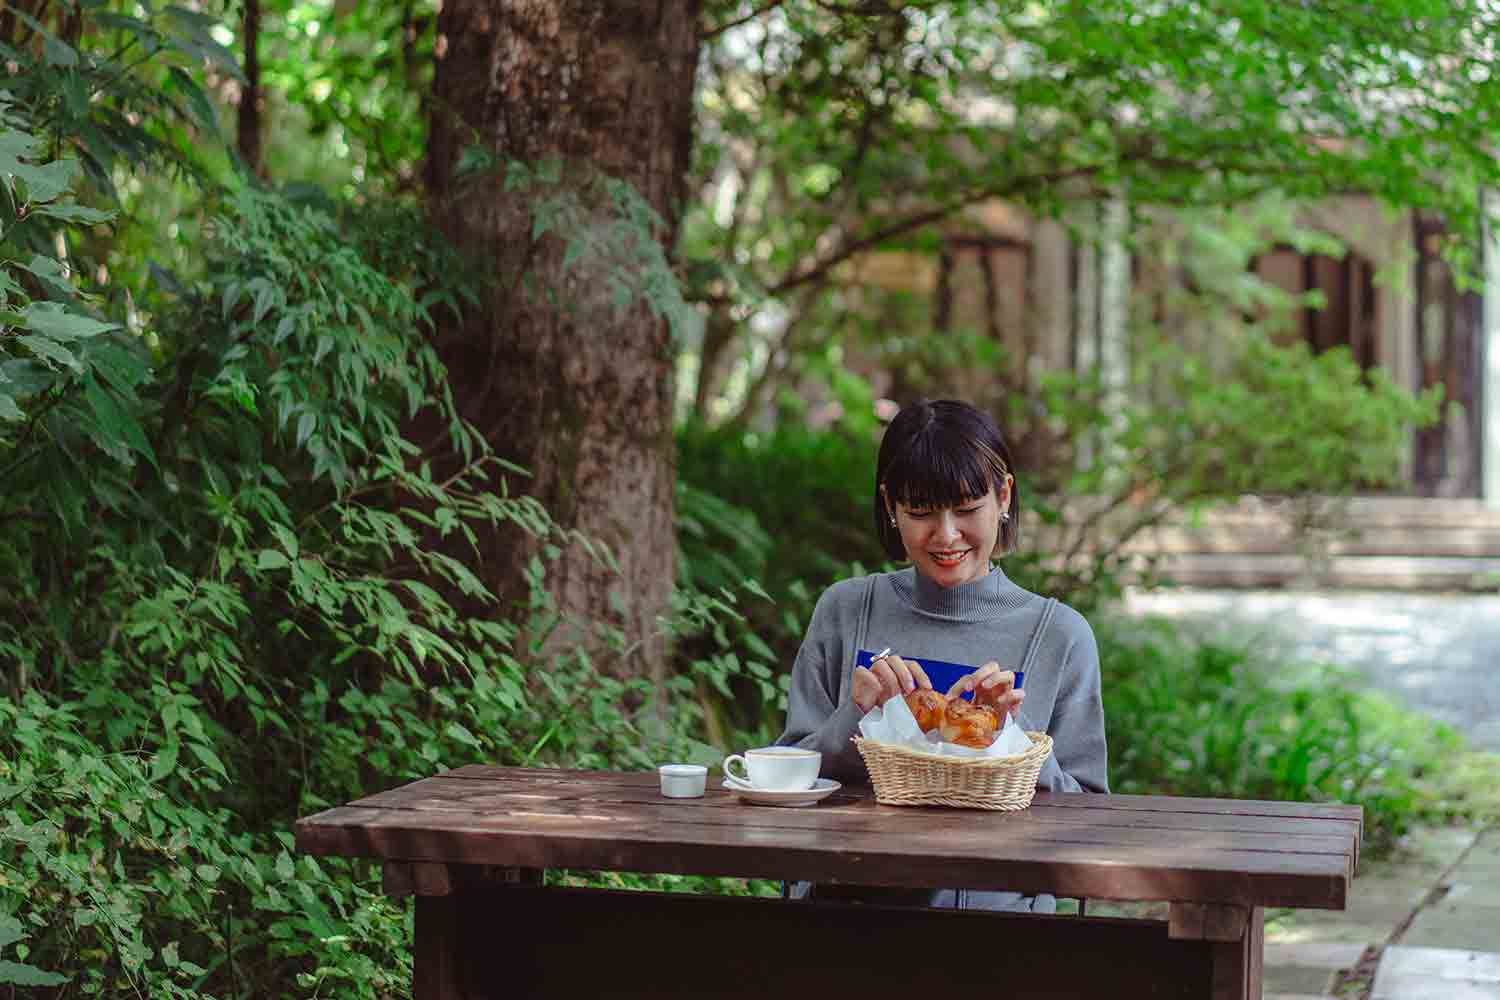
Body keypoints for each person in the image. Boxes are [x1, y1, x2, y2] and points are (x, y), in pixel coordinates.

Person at [776, 398, 1108, 912]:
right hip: (845, 914)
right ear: (890, 506)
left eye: (968, 509)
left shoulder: (1060, 635)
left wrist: (1007, 739)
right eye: (921, 513)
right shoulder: (846, 610)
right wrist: (855, 715)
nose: (947, 535)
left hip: (1002, 936)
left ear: (1003, 495)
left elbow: (1090, 815)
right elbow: (785, 778)